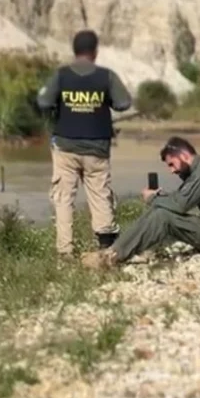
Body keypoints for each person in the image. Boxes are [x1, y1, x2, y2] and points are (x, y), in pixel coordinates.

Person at [81, 137, 200, 270]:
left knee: (163, 215)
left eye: (172, 164)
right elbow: (180, 198)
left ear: (183, 155)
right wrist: (161, 197)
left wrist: (152, 198)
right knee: (161, 210)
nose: (171, 171)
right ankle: (123, 249)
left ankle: (111, 257)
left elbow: (180, 205)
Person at [37, 29, 133, 258]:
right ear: (95, 52)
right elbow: (124, 103)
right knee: (100, 194)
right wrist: (103, 99)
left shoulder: (61, 75)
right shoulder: (106, 76)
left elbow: (43, 101)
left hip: (65, 147)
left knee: (63, 199)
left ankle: (65, 252)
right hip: (97, 148)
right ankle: (106, 248)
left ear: (74, 50)